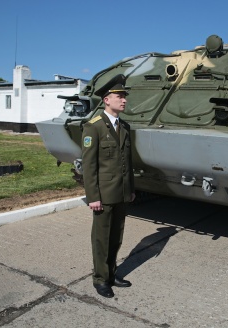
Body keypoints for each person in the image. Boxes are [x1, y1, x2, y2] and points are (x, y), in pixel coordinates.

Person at [81, 74, 136, 298]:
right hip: (103, 195)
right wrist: (93, 196)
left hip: (121, 193)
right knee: (102, 239)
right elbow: (89, 165)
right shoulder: (93, 127)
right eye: (119, 96)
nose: (123, 100)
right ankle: (101, 279)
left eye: (124, 96)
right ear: (106, 99)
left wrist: (131, 189)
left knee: (117, 237)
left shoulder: (124, 127)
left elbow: (128, 162)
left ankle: (112, 273)